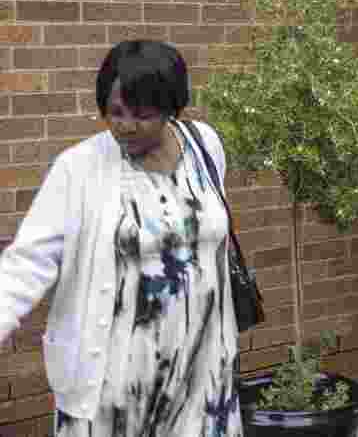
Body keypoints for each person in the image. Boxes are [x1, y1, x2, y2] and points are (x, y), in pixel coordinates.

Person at [0, 40, 241, 436]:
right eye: (114, 112)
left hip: (203, 368)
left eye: (142, 115)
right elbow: (28, 262)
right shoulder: (79, 169)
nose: (124, 125)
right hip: (115, 383)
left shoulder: (204, 145)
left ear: (170, 108)